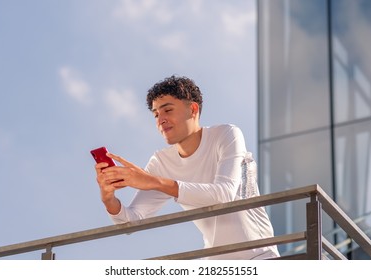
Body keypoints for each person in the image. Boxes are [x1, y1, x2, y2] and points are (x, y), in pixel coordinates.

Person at [95, 75, 280, 259]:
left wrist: (153, 182)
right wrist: (108, 198)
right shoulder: (161, 162)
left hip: (261, 257)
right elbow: (132, 221)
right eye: (156, 114)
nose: (161, 120)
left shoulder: (226, 135)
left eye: (167, 110)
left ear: (192, 109)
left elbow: (223, 194)